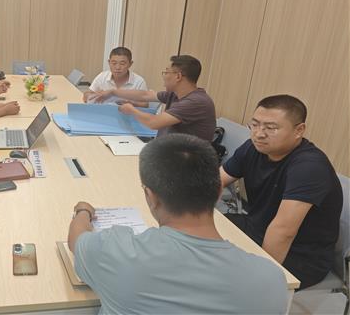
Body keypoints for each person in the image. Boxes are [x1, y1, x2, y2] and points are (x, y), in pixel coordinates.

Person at [68, 134, 288, 314]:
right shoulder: (271, 279)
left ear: (150, 196)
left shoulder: (115, 251)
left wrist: (83, 211)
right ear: (219, 191)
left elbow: (76, 240)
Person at [220, 95, 342, 289]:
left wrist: (262, 280)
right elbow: (216, 182)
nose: (259, 134)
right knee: (198, 242)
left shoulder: (309, 167)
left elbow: (283, 231)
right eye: (255, 125)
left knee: (223, 277)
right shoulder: (253, 147)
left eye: (271, 128)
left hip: (300, 255)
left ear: (299, 130)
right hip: (257, 228)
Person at [89, 54, 216, 141]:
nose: (164, 76)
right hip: (168, 150)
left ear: (178, 76)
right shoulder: (175, 94)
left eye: (166, 72)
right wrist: (113, 92)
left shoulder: (195, 102)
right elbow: (145, 95)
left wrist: (132, 110)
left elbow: (154, 123)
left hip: (186, 160)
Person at [83, 47, 147, 106]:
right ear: (109, 62)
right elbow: (86, 95)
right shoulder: (102, 76)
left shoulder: (139, 81)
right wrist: (93, 96)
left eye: (122, 64)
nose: (117, 67)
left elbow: (145, 104)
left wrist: (131, 103)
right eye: (114, 63)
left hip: (127, 113)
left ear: (130, 64)